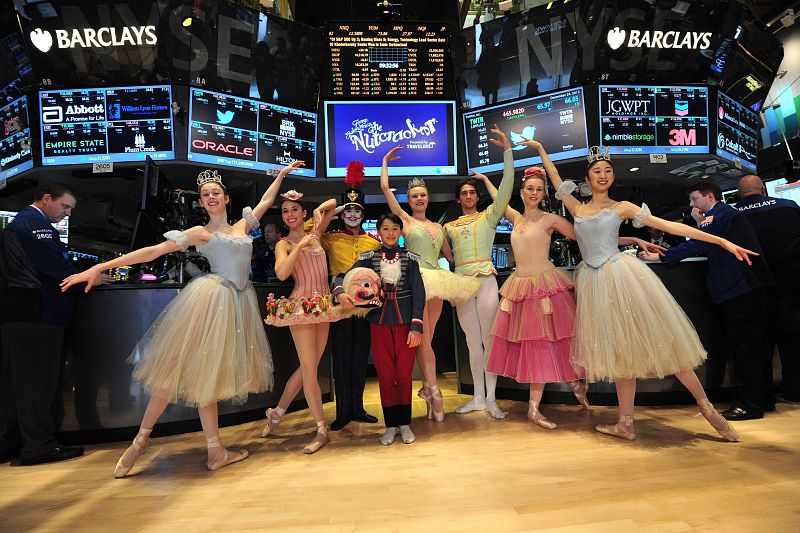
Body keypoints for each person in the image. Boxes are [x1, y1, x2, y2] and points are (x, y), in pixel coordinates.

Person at [61, 164, 298, 476]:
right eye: (205, 194)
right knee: (178, 372)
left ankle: (213, 450)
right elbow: (153, 251)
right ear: (201, 203)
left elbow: (267, 201)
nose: (211, 196)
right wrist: (97, 268)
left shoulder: (242, 226)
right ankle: (141, 441)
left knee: (206, 377)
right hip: (213, 301)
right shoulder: (200, 233)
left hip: (236, 303)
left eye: (216, 192)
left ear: (226, 198)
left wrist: (280, 176)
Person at [524, 140, 752, 442]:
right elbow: (553, 176)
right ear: (588, 179)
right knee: (620, 356)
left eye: (607, 170)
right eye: (596, 171)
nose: (602, 175)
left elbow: (671, 228)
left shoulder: (622, 208)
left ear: (612, 177)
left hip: (620, 278)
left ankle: (708, 409)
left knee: (665, 342)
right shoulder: (576, 208)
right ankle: (626, 423)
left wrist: (722, 241)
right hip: (593, 283)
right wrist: (541, 148)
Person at [479, 166, 660, 428]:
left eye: (539, 189)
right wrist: (485, 179)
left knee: (553, 343)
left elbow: (590, 237)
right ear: (521, 191)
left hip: (544, 285)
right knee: (537, 345)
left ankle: (556, 395)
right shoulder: (516, 218)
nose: (534, 192)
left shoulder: (550, 219)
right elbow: (499, 197)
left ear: (543, 194)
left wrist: (631, 238)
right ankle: (564, 390)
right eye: (530, 188)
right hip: (519, 287)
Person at [643, 181, 774, 421]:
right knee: (755, 347)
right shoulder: (723, 216)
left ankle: (749, 406)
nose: (692, 204)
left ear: (709, 196)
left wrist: (665, 255)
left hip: (739, 289)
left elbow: (699, 242)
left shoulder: (718, 215)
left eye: (694, 199)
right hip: (749, 288)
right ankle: (763, 399)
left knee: (744, 349)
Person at [0, 182, 104, 465]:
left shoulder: (22, 223)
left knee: (16, 383)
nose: (67, 213)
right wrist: (88, 275)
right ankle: (39, 446)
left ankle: (13, 443)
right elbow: (55, 265)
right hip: (38, 312)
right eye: (65, 206)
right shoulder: (35, 223)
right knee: (37, 382)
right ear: (46, 199)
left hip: (20, 313)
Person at [380, 147, 479, 422]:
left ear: (428, 197)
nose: (419, 198)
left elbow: (451, 257)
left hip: (438, 281)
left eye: (422, 195)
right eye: (414, 196)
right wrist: (385, 162)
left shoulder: (439, 227)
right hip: (416, 281)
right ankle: (435, 393)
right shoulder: (406, 222)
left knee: (427, 339)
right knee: (422, 339)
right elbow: (386, 189)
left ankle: (427, 389)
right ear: (409, 200)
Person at [333, 213, 426, 445]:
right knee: (385, 376)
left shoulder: (411, 259)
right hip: (379, 323)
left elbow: (419, 294)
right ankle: (390, 425)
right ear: (379, 232)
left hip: (406, 324)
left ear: (400, 232)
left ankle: (404, 423)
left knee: (404, 376)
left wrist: (416, 326)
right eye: (386, 229)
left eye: (395, 228)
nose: (391, 233)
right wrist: (338, 291)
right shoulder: (369, 257)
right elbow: (344, 276)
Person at [444, 125, 514, 420]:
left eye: (473, 192)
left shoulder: (489, 216)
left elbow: (507, 189)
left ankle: (493, 399)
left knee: (489, 340)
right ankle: (477, 398)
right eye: (465, 193)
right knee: (473, 343)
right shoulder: (448, 226)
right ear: (459, 198)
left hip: (486, 281)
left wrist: (507, 154)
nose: (470, 196)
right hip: (462, 285)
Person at [261, 191, 338, 454]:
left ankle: (277, 413)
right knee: (308, 369)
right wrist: (300, 246)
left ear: (303, 213)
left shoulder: (315, 231)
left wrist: (318, 212)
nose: (290, 214)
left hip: (323, 305)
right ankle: (320, 429)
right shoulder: (284, 244)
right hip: (301, 307)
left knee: (310, 366)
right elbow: (282, 273)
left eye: (295, 209)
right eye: (285, 211)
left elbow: (333, 203)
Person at [318, 181, 381, 431]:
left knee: (359, 358)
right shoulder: (330, 239)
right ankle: (342, 412)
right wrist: (333, 210)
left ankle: (358, 408)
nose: (352, 215)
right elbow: (311, 228)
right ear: (343, 214)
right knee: (341, 358)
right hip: (340, 303)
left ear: (363, 215)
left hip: (366, 307)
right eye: (348, 211)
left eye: (356, 211)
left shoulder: (373, 243)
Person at [736, 175, 800, 404]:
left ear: (739, 194)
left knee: (760, 345)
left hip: (755, 288)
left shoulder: (734, 215)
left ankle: (764, 394)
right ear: (763, 189)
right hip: (790, 286)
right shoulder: (789, 207)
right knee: (792, 341)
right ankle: (794, 390)